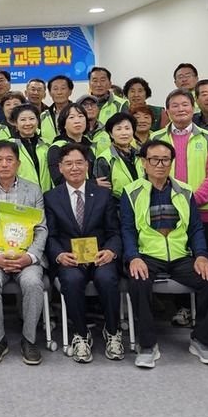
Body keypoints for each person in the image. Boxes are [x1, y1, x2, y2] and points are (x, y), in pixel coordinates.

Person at [121, 140, 208, 368]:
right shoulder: (132, 191)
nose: (160, 164)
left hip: (180, 256)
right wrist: (133, 257)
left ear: (171, 162)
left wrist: (201, 256)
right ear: (144, 162)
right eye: (154, 159)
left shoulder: (185, 191)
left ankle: (202, 340)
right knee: (137, 279)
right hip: (148, 256)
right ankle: (147, 345)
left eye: (165, 159)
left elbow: (195, 227)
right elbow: (126, 229)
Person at [45, 143, 124, 362]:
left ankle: (113, 331)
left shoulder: (102, 194)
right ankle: (80, 334)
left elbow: (114, 231)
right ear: (60, 168)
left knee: (108, 278)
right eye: (68, 164)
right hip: (70, 259)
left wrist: (110, 251)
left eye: (79, 163)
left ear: (87, 165)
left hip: (101, 257)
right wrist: (60, 255)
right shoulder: (51, 197)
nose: (74, 168)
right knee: (70, 280)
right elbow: (50, 236)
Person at [0, 140, 46, 365]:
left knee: (33, 283)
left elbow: (42, 229)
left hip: (26, 257)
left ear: (18, 164)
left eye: (9, 160)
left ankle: (29, 339)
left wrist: (30, 257)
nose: (4, 164)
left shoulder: (33, 190)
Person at [151, 89, 208, 328]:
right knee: (176, 260)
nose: (180, 109)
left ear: (194, 108)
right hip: (166, 213)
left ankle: (206, 316)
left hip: (205, 211)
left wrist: (190, 202)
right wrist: (175, 205)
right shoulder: (157, 137)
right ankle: (182, 308)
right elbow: (150, 174)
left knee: (204, 262)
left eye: (185, 104)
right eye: (174, 106)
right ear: (167, 111)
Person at [93, 112, 144, 202]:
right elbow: (102, 193)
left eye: (127, 128)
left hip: (141, 207)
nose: (124, 133)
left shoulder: (140, 155)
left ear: (133, 131)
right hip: (117, 210)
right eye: (118, 129)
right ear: (111, 134)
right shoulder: (104, 159)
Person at [47, 103, 96, 186]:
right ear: (64, 124)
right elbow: (58, 180)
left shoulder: (90, 147)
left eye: (80, 116)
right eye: (71, 117)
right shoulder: (57, 148)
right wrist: (93, 183)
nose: (77, 121)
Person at [12, 104, 52, 191]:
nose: (28, 123)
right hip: (21, 198)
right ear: (15, 123)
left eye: (32, 119)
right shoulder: (9, 146)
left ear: (37, 121)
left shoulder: (47, 144)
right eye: (23, 120)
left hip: (46, 195)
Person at [40, 75, 73, 143]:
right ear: (49, 93)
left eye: (63, 88)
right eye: (55, 89)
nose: (59, 92)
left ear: (70, 92)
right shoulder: (43, 116)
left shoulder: (79, 113)